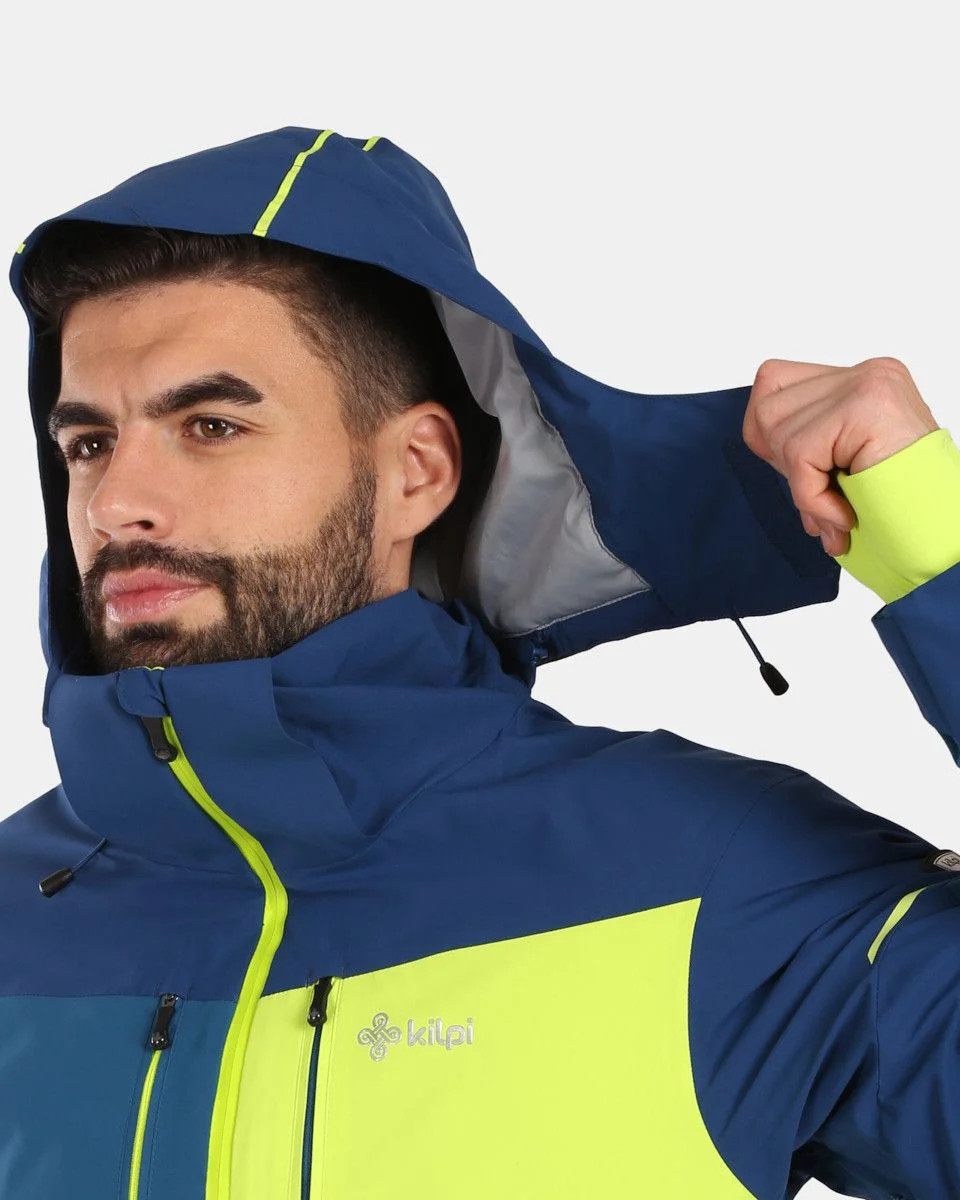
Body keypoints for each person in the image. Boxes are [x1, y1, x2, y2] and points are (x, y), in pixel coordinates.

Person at [2, 126, 959, 1200]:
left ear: (416, 472)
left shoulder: (724, 881)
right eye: (88, 443)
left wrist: (943, 557)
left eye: (211, 425)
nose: (116, 502)